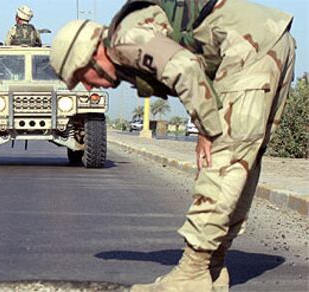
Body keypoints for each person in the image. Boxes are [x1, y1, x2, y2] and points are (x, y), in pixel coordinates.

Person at [50, 0, 295, 291]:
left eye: (81, 77)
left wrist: (206, 125)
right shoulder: (129, 39)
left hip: (246, 46)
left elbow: (186, 67)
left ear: (91, 56)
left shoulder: (123, 40)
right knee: (243, 160)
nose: (88, 87)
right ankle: (211, 269)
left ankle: (192, 273)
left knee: (223, 158)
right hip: (268, 41)